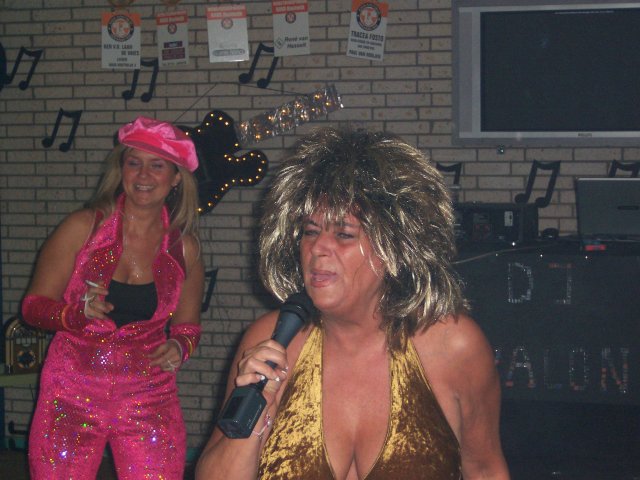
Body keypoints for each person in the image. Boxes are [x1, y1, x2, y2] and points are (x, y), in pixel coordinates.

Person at [196, 126, 510, 479]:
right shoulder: (271, 342)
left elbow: (486, 469)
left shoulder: (454, 346)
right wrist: (255, 410)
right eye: (310, 231)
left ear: (395, 248)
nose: (317, 248)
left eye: (344, 234)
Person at [21, 116, 205, 479]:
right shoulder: (83, 227)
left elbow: (188, 327)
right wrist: (74, 314)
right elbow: (32, 307)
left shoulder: (184, 249)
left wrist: (179, 347)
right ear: (121, 169)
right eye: (134, 163)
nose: (143, 175)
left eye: (157, 166)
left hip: (149, 395)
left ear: (176, 178)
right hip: (71, 392)